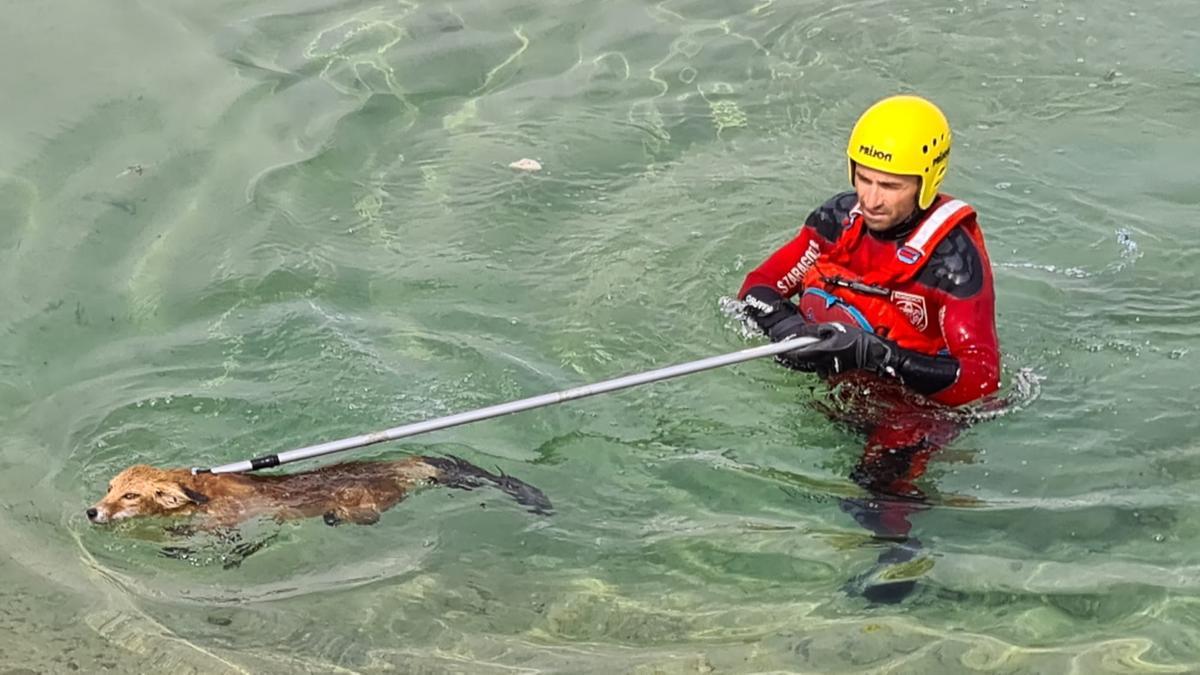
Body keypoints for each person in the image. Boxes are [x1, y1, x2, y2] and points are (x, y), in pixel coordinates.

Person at [737, 94, 1000, 602]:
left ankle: (902, 571)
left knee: (875, 484)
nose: (872, 199)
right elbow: (758, 287)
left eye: (891, 186)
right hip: (840, 380)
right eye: (864, 178)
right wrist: (787, 328)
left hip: (912, 404)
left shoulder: (953, 264)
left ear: (928, 183)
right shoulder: (838, 223)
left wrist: (878, 357)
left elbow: (979, 379)